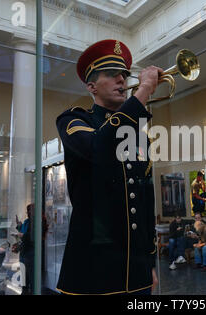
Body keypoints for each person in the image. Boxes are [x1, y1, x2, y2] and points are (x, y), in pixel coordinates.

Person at [56, 39, 162, 295]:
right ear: (91, 86)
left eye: (124, 76)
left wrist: (149, 261)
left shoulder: (139, 136)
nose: (122, 81)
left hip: (136, 272)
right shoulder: (74, 120)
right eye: (112, 75)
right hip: (93, 271)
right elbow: (98, 148)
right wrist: (144, 89)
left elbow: (145, 202)